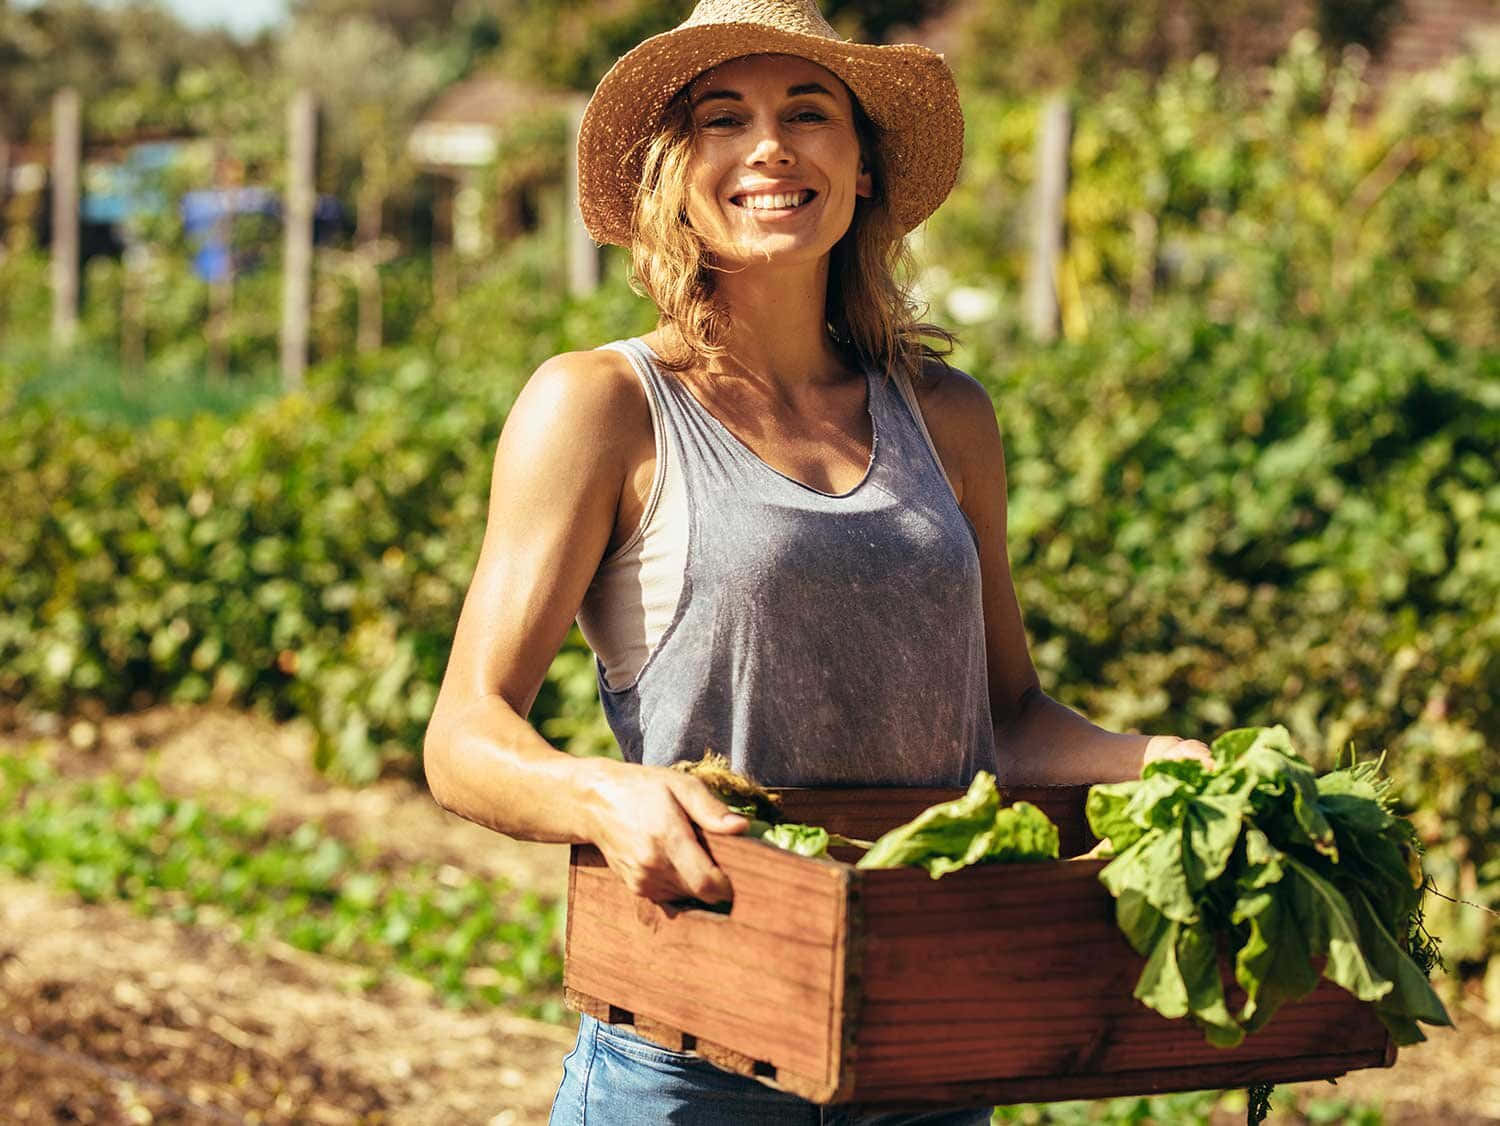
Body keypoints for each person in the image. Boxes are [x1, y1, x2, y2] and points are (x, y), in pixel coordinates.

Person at [422, 0, 1213, 1121]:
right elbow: (463, 736)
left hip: (926, 1026)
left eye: (809, 112)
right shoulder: (603, 407)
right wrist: (604, 794)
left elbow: (1009, 716)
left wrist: (1165, 759)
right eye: (722, 118)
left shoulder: (948, 417)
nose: (771, 147)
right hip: (699, 1038)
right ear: (671, 170)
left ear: (861, 165)